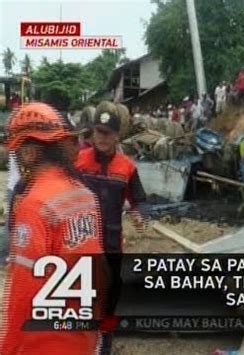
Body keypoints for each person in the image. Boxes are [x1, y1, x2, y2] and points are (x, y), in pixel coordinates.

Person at [1, 103, 106, 355]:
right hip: (82, 334)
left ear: (28, 152)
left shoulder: (35, 204)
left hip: (46, 342)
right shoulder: (84, 195)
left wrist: (7, 348)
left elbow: (24, 293)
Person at [75, 103, 146, 354]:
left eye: (107, 133)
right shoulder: (78, 162)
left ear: (117, 135)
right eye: (98, 131)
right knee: (81, 299)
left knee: (109, 301)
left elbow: (140, 201)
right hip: (80, 243)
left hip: (112, 245)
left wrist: (140, 217)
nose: (101, 138)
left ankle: (105, 346)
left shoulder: (127, 167)